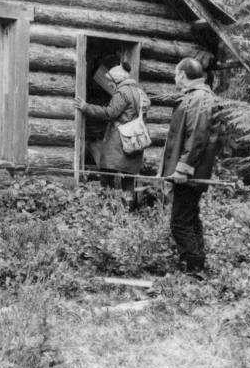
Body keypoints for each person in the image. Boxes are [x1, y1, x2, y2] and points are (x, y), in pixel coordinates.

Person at [160, 57, 221, 274]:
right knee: (190, 218)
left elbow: (196, 136)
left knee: (179, 223)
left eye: (176, 74)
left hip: (190, 173)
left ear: (183, 75)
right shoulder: (197, 96)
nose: (175, 78)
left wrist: (182, 169)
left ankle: (194, 271)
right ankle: (199, 266)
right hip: (192, 171)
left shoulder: (199, 98)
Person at [74, 56, 151, 206]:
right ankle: (128, 209)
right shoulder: (139, 92)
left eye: (110, 80)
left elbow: (110, 113)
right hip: (135, 141)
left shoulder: (121, 92)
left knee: (107, 173)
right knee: (128, 178)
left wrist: (86, 107)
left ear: (117, 80)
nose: (108, 83)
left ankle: (107, 208)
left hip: (119, 143)